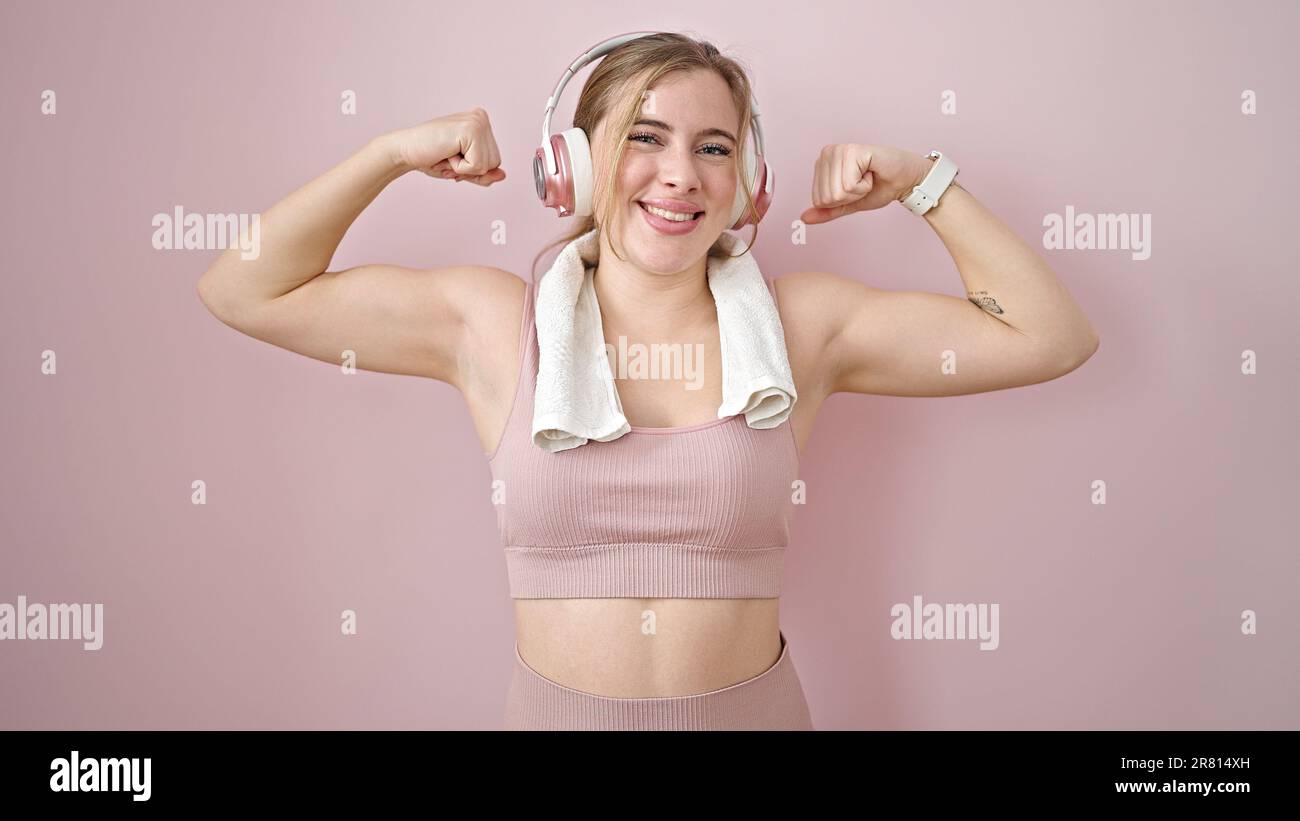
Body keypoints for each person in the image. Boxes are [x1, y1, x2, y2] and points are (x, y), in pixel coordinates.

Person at [196, 32, 1099, 730]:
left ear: (747, 179)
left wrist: (922, 181)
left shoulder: (801, 329)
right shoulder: (493, 326)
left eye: (714, 148)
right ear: (574, 165)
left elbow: (1050, 337)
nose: (679, 175)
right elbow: (244, 286)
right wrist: (391, 153)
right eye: (645, 137)